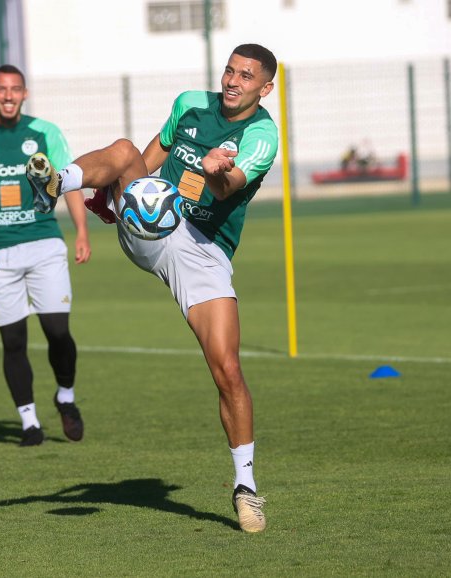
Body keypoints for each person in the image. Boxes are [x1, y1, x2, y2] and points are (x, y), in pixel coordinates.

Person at [25, 44, 278, 533]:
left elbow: (232, 188)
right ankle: (59, 184)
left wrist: (217, 172)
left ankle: (245, 488)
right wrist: (118, 192)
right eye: (229, 70)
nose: (233, 80)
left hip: (203, 251)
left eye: (246, 77)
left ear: (264, 88)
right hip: (153, 222)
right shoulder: (190, 104)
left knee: (227, 368)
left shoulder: (261, 135)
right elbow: (150, 155)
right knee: (123, 150)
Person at [0, 64, 89, 446]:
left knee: (57, 331)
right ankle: (29, 422)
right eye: (1, 89)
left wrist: (82, 230)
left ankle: (65, 396)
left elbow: (72, 183)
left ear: (25, 93)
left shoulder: (45, 132)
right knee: (13, 340)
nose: (9, 95)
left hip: (44, 243)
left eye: (16, 89)